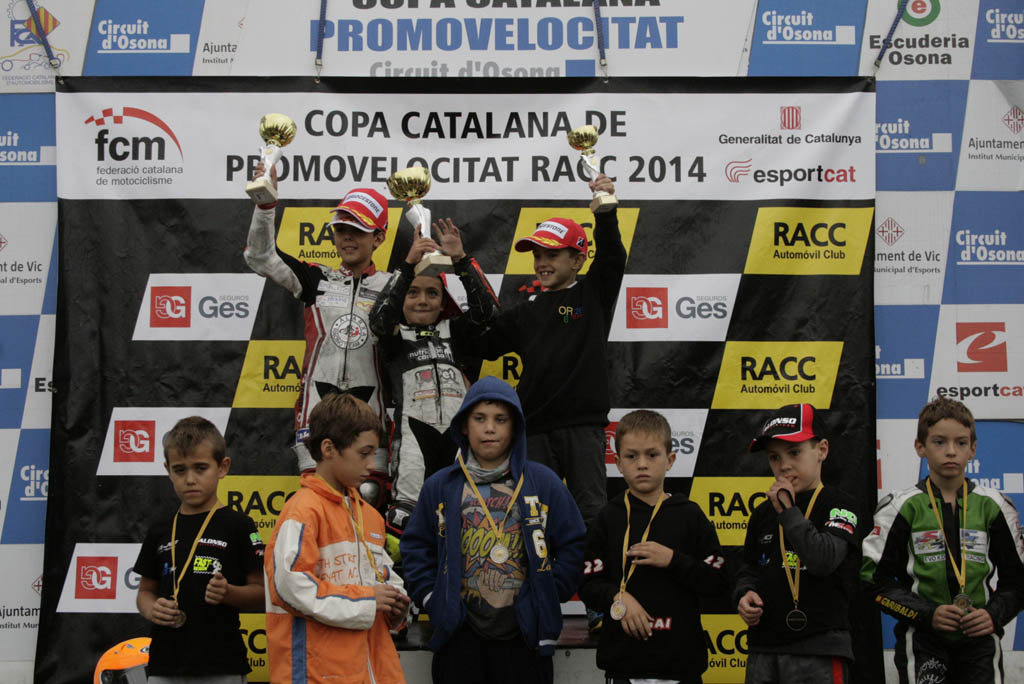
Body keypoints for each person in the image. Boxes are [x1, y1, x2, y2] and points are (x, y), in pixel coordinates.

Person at [399, 376, 586, 684]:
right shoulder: (440, 486)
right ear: (463, 426)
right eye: (480, 418)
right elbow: (415, 547)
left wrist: (547, 593)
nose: (489, 428)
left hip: (525, 636)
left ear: (516, 426)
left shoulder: (543, 483)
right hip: (459, 635)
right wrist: (433, 598)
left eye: (501, 419)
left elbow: (574, 544)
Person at [477, 173, 625, 528]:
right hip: (535, 429)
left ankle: (592, 567)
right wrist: (461, 267)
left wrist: (605, 210)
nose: (542, 262)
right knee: (532, 514)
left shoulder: (593, 294)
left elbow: (612, 256)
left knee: (591, 513)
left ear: (577, 260)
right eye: (538, 255)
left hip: (583, 427)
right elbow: (483, 343)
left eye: (552, 255)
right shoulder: (525, 312)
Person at [244, 164, 391, 505]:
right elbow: (260, 257)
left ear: (378, 237)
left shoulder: (393, 287)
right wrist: (265, 206)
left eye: (357, 230)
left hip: (372, 414)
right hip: (317, 413)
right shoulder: (317, 279)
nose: (347, 237)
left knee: (368, 502)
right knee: (319, 503)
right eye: (341, 229)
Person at [862, 397, 1024, 684]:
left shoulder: (995, 506)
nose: (951, 451)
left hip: (980, 641)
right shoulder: (900, 507)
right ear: (920, 447)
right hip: (922, 640)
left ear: (973, 449)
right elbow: (873, 582)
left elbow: (1018, 582)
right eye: (939, 442)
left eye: (961, 443)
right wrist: (926, 614)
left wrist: (992, 616)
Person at [264, 393, 410, 684]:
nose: (372, 465)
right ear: (328, 448)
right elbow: (290, 587)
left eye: (375, 453)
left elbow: (379, 580)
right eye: (364, 453)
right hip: (316, 673)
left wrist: (395, 603)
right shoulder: (302, 511)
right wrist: (368, 599)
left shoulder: (369, 515)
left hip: (372, 670)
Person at [369, 216, 499, 536]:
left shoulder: (456, 333)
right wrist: (407, 265)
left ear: (443, 302)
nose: (423, 300)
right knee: (405, 521)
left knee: (466, 519)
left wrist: (461, 259)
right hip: (411, 444)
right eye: (413, 293)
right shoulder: (394, 337)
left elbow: (488, 313)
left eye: (432, 293)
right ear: (402, 298)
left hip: (459, 442)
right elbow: (379, 318)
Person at [579, 409, 726, 683]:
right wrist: (618, 598)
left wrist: (673, 560)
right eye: (631, 456)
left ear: (670, 460)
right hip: (624, 665)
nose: (642, 464)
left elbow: (717, 582)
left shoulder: (690, 515)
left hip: (681, 664)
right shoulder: (608, 517)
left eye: (652, 455)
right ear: (618, 463)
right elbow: (587, 584)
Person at [733, 404, 862, 684]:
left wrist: (788, 512)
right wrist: (744, 594)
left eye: (794, 453)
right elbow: (749, 568)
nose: (784, 465)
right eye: (774, 457)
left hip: (820, 648)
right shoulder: (762, 513)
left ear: (822, 450)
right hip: (764, 647)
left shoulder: (840, 504)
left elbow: (823, 560)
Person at [134, 416, 265, 684]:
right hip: (164, 666)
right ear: (168, 470)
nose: (190, 479)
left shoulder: (239, 525)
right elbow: (145, 591)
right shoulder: (160, 529)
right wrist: (151, 609)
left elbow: (262, 594)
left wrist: (229, 593)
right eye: (180, 470)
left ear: (222, 467)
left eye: (200, 468)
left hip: (222, 664)